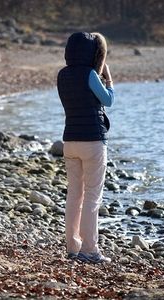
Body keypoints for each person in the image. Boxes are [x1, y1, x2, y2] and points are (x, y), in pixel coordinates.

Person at [57, 32, 114, 264]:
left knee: (74, 195)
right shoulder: (90, 74)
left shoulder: (62, 75)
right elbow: (108, 100)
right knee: (92, 197)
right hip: (92, 141)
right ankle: (90, 250)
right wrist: (108, 80)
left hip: (70, 141)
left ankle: (73, 246)